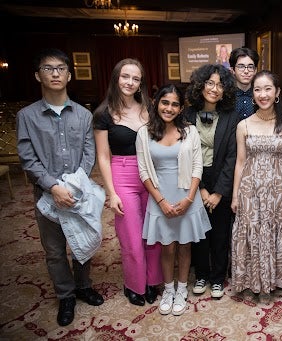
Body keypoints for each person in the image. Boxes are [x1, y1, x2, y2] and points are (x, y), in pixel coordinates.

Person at [16, 48, 104, 326]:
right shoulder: (27, 116)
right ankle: (65, 295)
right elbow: (27, 158)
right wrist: (53, 186)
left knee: (83, 239)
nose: (55, 73)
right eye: (48, 68)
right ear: (37, 75)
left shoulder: (83, 115)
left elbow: (89, 153)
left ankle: (83, 285)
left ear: (69, 75)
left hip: (79, 193)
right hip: (47, 194)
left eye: (60, 68)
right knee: (54, 251)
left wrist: (75, 186)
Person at [136, 84, 211, 316]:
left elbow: (198, 167)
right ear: (156, 103)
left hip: (187, 197)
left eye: (175, 104)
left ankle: (181, 289)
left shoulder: (190, 131)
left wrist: (189, 199)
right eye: (165, 102)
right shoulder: (144, 132)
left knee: (185, 246)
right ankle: (168, 289)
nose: (169, 108)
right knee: (167, 247)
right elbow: (143, 171)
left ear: (181, 108)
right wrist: (160, 201)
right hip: (161, 197)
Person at [93, 58, 163, 306]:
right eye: (125, 76)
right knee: (131, 237)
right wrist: (111, 193)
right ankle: (134, 284)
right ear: (116, 78)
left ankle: (153, 279)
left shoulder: (150, 107)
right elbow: (102, 156)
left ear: (141, 82)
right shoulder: (103, 113)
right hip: (122, 174)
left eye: (135, 78)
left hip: (151, 174)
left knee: (152, 233)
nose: (130, 82)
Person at [231, 70, 282, 303]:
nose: (262, 94)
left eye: (267, 88)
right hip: (249, 190)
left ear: (277, 92)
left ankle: (271, 281)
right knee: (250, 233)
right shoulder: (244, 125)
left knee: (272, 233)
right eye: (257, 90)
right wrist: (235, 196)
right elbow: (240, 162)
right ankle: (251, 281)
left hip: (277, 190)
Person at [185, 64, 238, 300]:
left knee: (219, 234)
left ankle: (217, 279)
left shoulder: (232, 117)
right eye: (210, 83)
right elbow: (183, 154)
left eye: (220, 85)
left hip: (221, 182)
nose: (214, 89)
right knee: (198, 235)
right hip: (194, 181)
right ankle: (201, 276)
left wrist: (218, 192)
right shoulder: (186, 115)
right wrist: (202, 189)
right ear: (201, 85)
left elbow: (232, 158)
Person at [229, 47, 260, 120]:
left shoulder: (260, 95)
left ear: (255, 70)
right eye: (241, 66)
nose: (246, 71)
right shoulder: (226, 95)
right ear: (232, 70)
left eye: (250, 67)